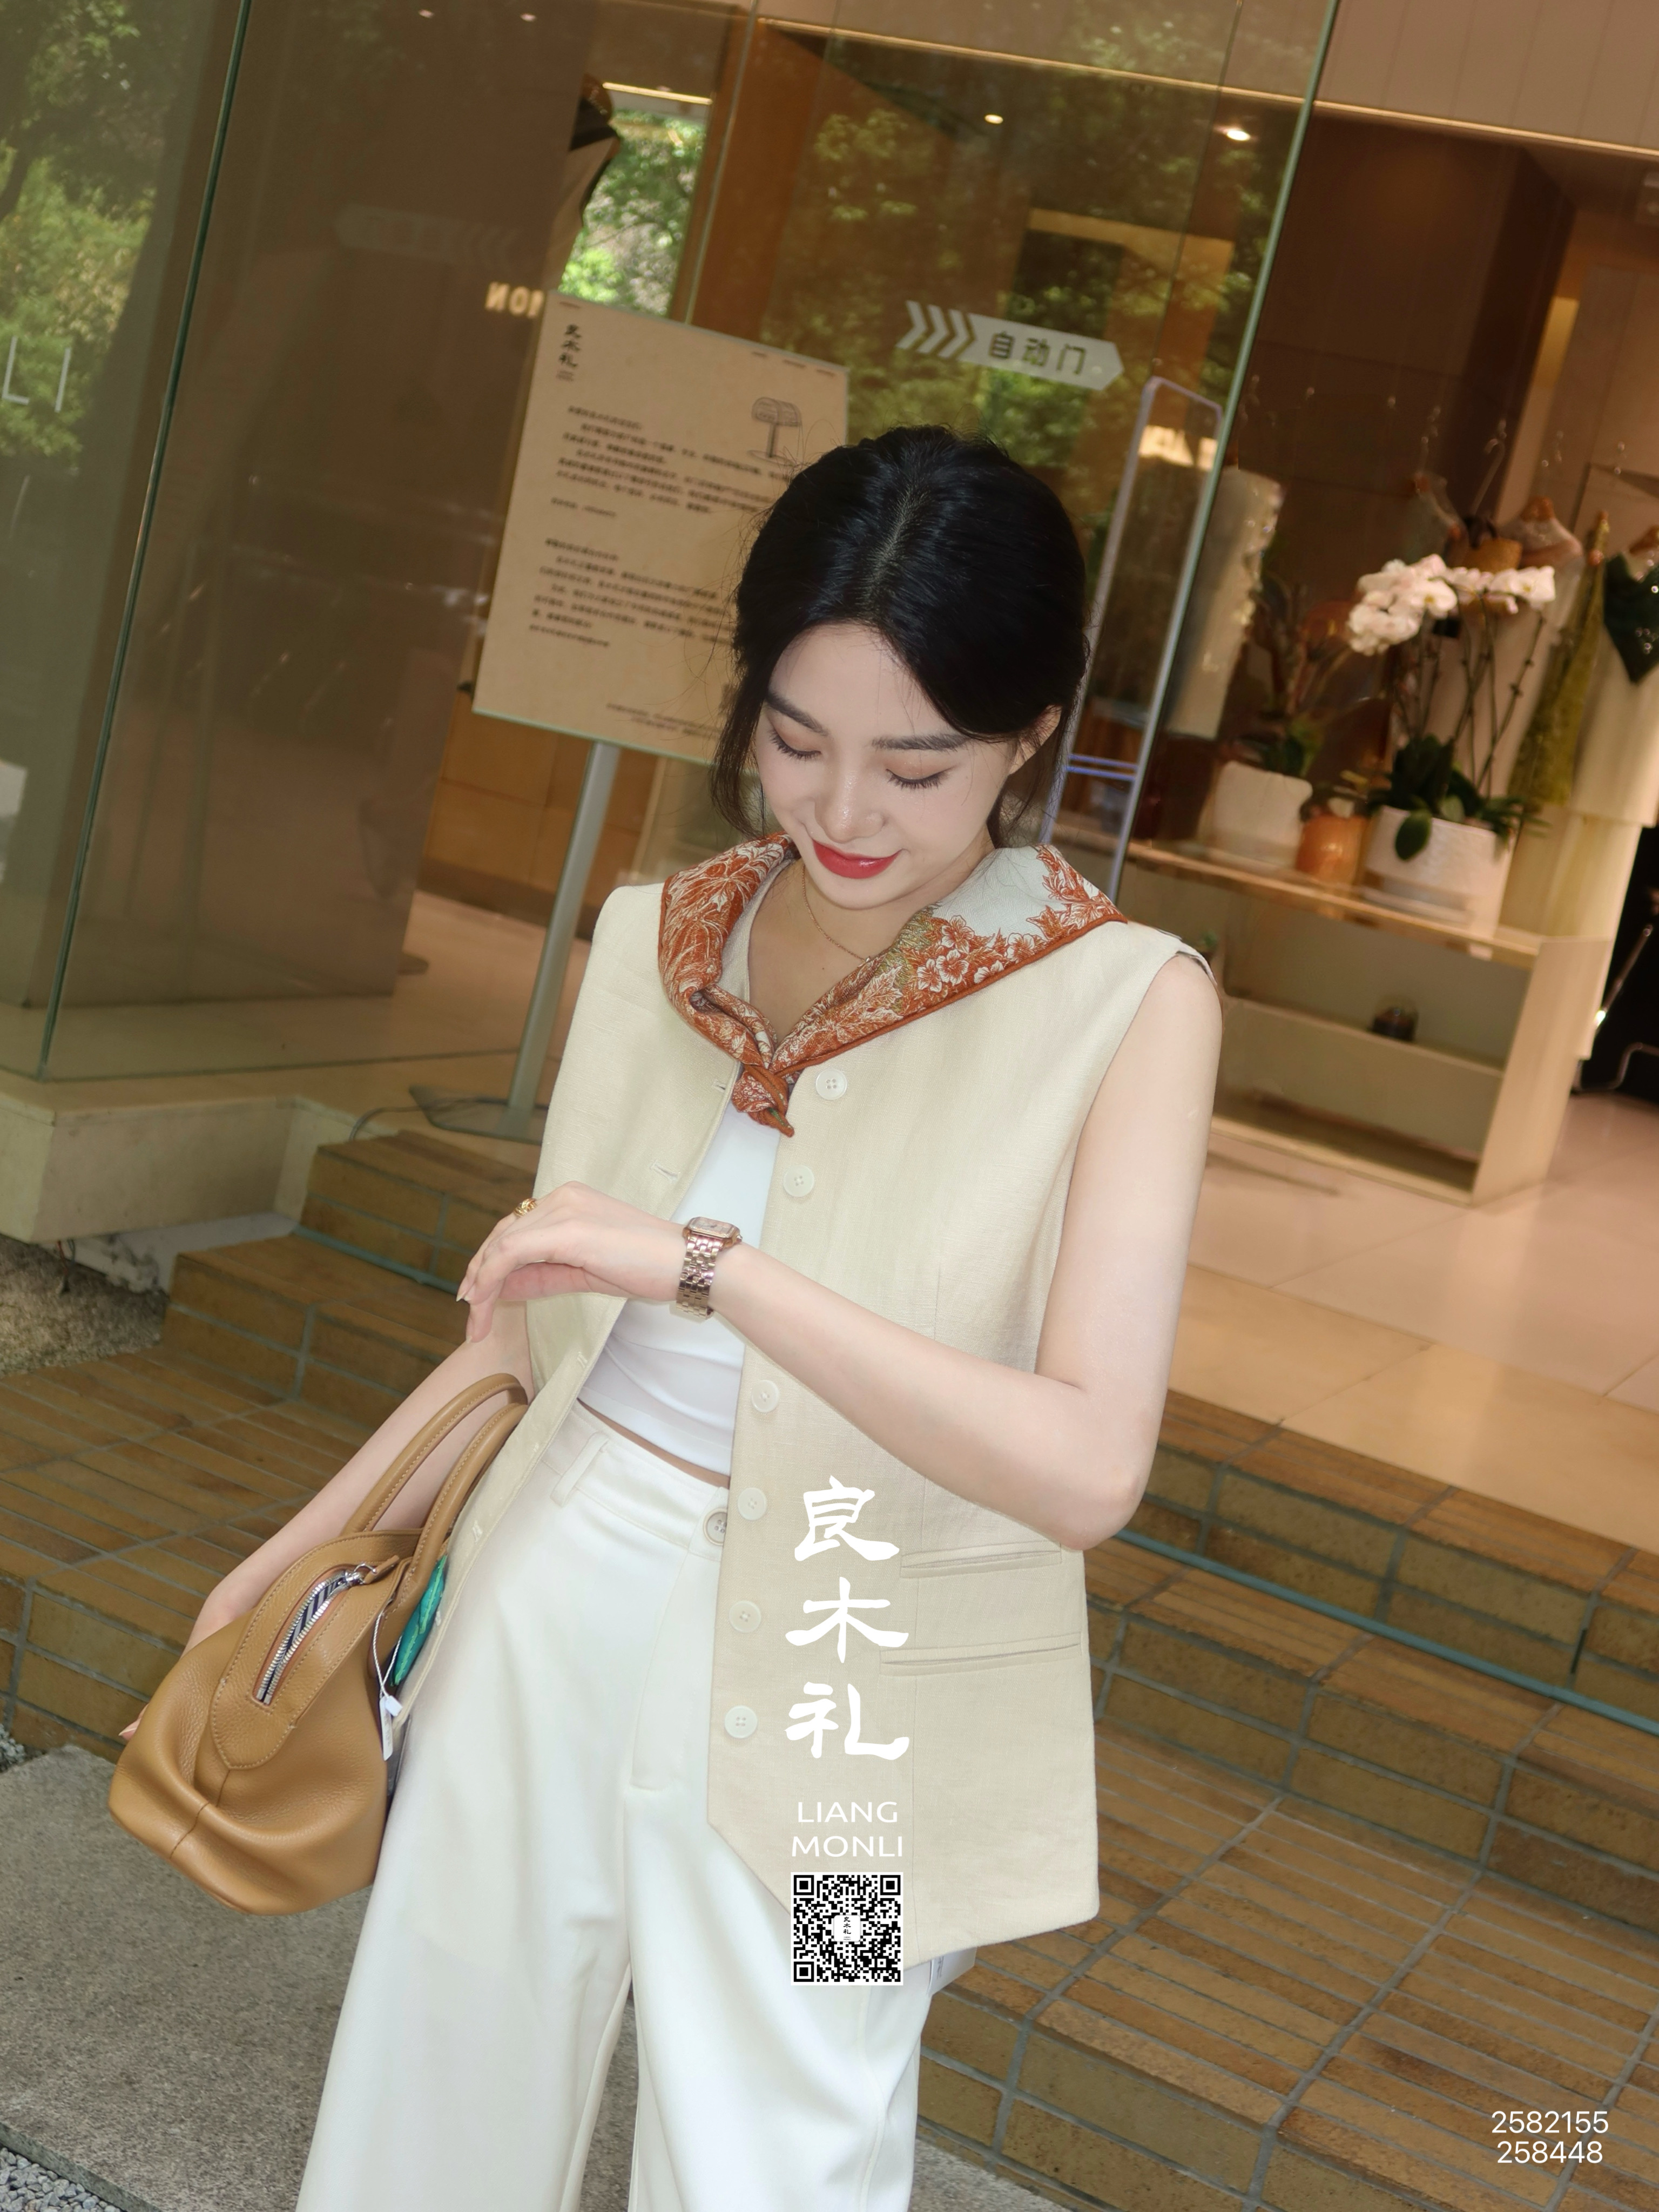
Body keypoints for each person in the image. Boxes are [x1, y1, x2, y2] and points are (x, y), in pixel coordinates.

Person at [172, 426, 1220, 2210]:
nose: (846, 813)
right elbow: (520, 1344)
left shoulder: (1129, 1003)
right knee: (439, 2081)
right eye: (797, 741)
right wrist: (300, 1551)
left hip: (865, 1679)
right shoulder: (656, 936)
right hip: (550, 1591)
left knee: (794, 2138)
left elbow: (1089, 1465)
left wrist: (713, 1268)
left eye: (918, 763)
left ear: (1030, 733)